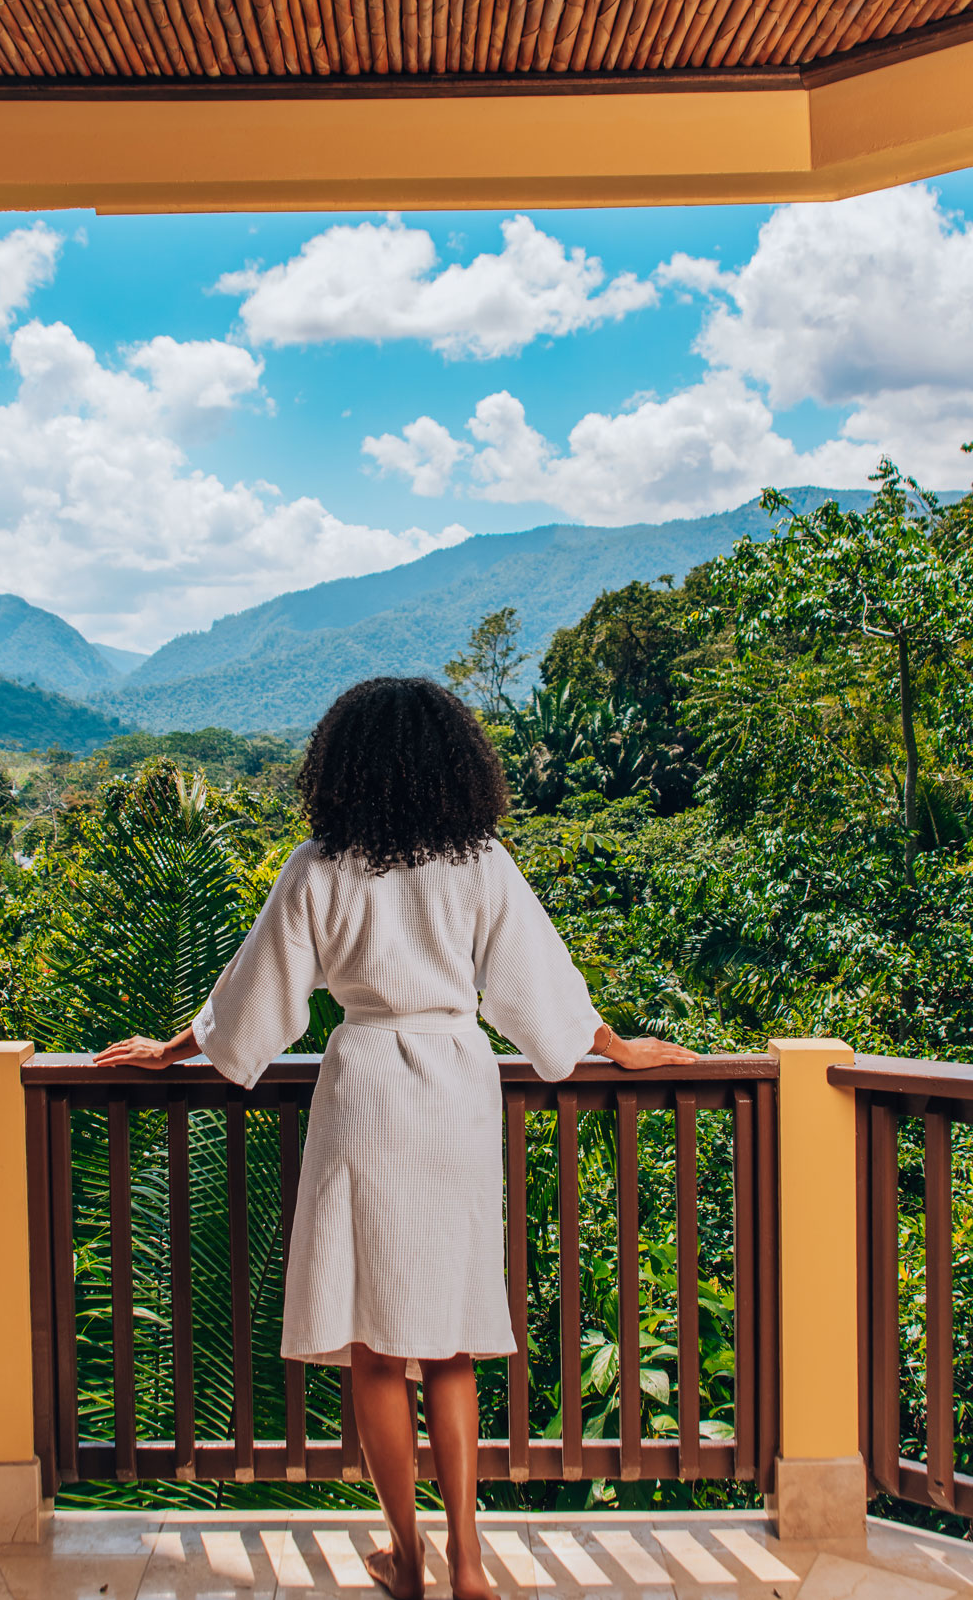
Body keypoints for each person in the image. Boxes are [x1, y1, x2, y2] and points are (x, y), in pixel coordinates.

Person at [95, 676, 696, 1600]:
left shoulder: (321, 865)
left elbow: (256, 1001)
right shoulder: (480, 862)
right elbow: (537, 989)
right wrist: (616, 1046)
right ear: (456, 763)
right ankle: (468, 1564)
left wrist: (172, 1048)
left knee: (376, 1349)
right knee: (448, 1342)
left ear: (341, 764)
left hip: (367, 1088)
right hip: (456, 1088)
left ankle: (406, 1558)